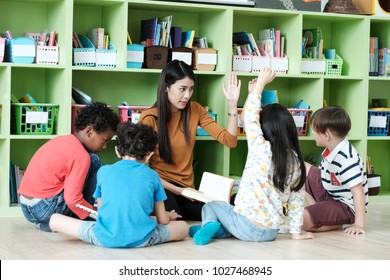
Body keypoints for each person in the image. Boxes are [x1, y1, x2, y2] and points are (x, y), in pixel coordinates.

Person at [190, 68, 314, 245]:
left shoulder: (261, 148)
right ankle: (216, 230)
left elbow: (249, 118)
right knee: (233, 218)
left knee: (211, 206)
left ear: (265, 130)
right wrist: (296, 232)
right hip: (270, 232)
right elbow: (296, 201)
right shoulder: (296, 162)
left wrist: (260, 86)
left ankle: (209, 225)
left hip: (246, 225)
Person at [49, 122, 188, 248]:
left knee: (55, 219)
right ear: (149, 155)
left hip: (103, 237)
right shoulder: (153, 176)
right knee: (183, 227)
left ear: (117, 150)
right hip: (144, 239)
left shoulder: (103, 172)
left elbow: (101, 211)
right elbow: (163, 220)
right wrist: (168, 216)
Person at [139, 59, 241, 221]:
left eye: (191, 89)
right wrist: (179, 191)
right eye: (182, 89)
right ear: (166, 87)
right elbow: (140, 170)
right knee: (174, 218)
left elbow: (230, 141)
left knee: (221, 214)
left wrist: (232, 104)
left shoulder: (195, 110)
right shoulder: (150, 118)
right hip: (162, 188)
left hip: (188, 191)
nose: (187, 95)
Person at [18, 102, 120, 232]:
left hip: (26, 207)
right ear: (89, 132)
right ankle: (80, 219)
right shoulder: (81, 156)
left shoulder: (62, 140)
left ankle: (52, 223)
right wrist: (98, 215)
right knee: (93, 160)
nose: (105, 146)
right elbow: (73, 200)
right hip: (44, 208)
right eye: (105, 140)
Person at [302, 106, 368, 236]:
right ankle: (316, 212)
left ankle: (331, 222)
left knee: (298, 219)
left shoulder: (347, 158)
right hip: (330, 195)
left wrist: (358, 224)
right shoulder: (331, 149)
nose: (312, 134)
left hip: (345, 207)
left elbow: (358, 192)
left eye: (314, 131)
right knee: (299, 167)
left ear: (326, 135)